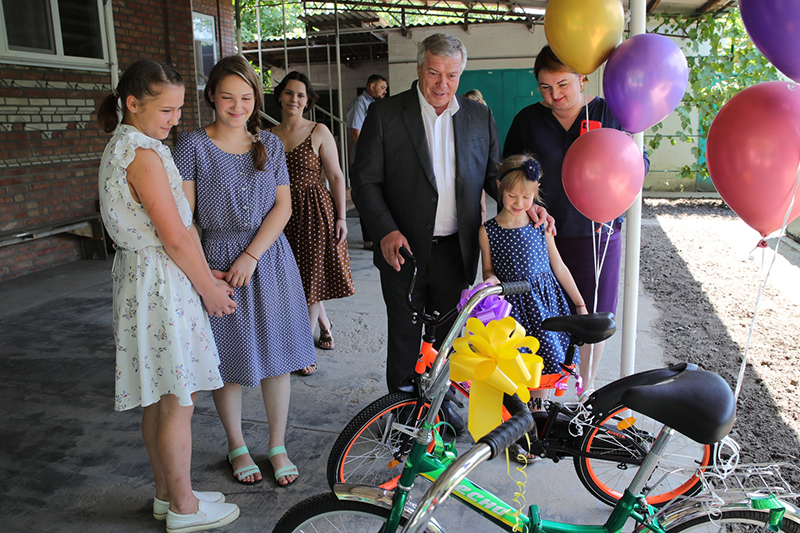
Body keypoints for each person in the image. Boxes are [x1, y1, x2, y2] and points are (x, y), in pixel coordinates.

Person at [351, 33, 551, 417]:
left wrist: (527, 207)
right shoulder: (386, 114)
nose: (442, 84)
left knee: (450, 338)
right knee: (406, 336)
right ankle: (404, 420)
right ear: (419, 68)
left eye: (452, 75)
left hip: (456, 251)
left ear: (462, 73)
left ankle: (440, 413)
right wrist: (386, 231)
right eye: (434, 72)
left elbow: (497, 177)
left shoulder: (480, 116)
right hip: (403, 250)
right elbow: (365, 182)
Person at [97, 59, 240, 532]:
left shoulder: (123, 145)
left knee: (159, 394)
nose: (176, 119)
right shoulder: (144, 153)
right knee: (178, 397)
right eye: (167, 109)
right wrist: (209, 289)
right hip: (160, 280)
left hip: (144, 275)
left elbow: (169, 237)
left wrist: (202, 271)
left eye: (180, 109)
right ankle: (184, 507)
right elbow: (176, 236)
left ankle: (167, 493)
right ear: (133, 103)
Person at [173, 55, 316, 487]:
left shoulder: (268, 145)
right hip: (216, 261)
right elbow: (186, 217)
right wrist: (204, 269)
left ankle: (277, 445)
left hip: (267, 257)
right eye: (227, 97)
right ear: (211, 97)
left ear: (256, 99)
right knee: (228, 360)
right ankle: (236, 445)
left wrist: (251, 255)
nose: (238, 106)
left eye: (247, 97)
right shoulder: (192, 145)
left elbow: (283, 206)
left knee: (279, 359)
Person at [503, 45, 650, 397]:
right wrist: (526, 208)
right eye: (545, 88)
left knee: (593, 316)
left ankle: (586, 389)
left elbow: (637, 163)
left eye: (563, 85)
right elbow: (507, 176)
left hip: (595, 235)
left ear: (582, 78)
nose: (555, 96)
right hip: (540, 235)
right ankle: (538, 395)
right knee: (541, 315)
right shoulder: (528, 121)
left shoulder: (610, 112)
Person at [479, 154, 587, 405]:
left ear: (536, 191)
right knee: (514, 370)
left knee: (544, 367)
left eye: (527, 197)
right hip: (509, 312)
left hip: (543, 307)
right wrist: (491, 280)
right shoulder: (488, 231)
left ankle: (538, 419)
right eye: (512, 196)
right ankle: (518, 422)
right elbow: (487, 269)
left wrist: (579, 303)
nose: (519, 203)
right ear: (499, 187)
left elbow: (558, 266)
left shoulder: (540, 225)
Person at [269, 71, 356, 360]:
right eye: (289, 93)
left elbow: (335, 175)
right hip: (279, 214)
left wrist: (341, 218)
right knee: (294, 279)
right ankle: (325, 325)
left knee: (311, 277)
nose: (294, 99)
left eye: (301, 95)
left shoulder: (318, 130)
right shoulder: (267, 137)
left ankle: (303, 350)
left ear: (308, 101)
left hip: (314, 211)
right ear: (280, 96)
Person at [346, 74, 388, 251]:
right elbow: (355, 132)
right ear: (371, 86)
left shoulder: (374, 104)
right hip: (363, 161)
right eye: (382, 87)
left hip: (372, 159)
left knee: (376, 197)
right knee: (366, 198)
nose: (385, 91)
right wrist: (365, 159)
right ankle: (368, 240)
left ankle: (374, 236)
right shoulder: (360, 104)